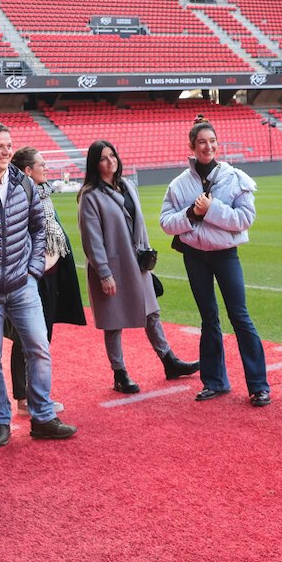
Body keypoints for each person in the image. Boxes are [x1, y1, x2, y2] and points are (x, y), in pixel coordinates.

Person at [0, 122, 76, 445]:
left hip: (23, 283)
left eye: (9, 145)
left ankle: (42, 416)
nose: (7, 150)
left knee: (39, 348)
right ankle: (0, 421)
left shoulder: (24, 184)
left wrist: (34, 269)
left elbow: (39, 228)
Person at [160, 115, 270, 406]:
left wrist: (211, 210)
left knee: (240, 316)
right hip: (195, 257)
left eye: (211, 141)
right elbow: (165, 223)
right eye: (201, 142)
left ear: (217, 145)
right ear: (192, 147)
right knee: (208, 318)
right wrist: (190, 215)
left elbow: (244, 220)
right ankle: (215, 382)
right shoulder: (178, 185)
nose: (207, 147)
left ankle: (259, 385)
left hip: (225, 255)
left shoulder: (235, 178)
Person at [77, 139, 197, 394]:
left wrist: (147, 256)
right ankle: (119, 374)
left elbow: (138, 225)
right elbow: (91, 239)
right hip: (111, 267)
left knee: (151, 313)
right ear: (94, 164)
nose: (111, 162)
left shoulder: (127, 186)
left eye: (113, 155)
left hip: (137, 263)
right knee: (113, 321)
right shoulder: (90, 196)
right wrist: (104, 273)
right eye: (103, 158)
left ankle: (169, 361)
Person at [8, 147, 86, 410]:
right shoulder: (22, 196)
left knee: (40, 335)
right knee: (28, 337)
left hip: (49, 273)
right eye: (41, 164)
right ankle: (27, 397)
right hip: (34, 274)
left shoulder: (42, 193)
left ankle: (33, 394)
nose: (47, 168)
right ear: (28, 170)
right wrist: (41, 263)